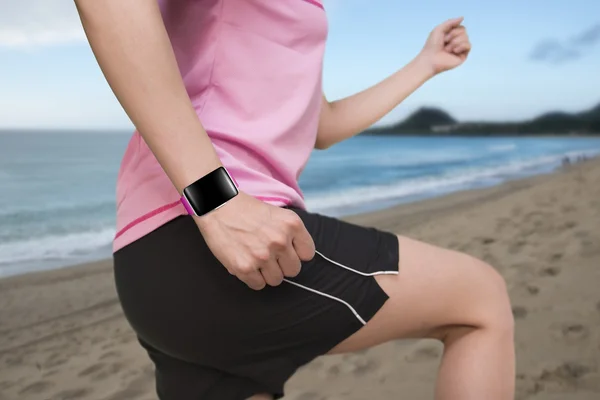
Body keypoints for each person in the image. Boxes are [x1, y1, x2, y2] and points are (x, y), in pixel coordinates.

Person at [74, 1, 515, 399]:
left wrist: (426, 64)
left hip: (151, 261)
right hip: (213, 234)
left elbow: (323, 124)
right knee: (480, 299)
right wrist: (215, 199)